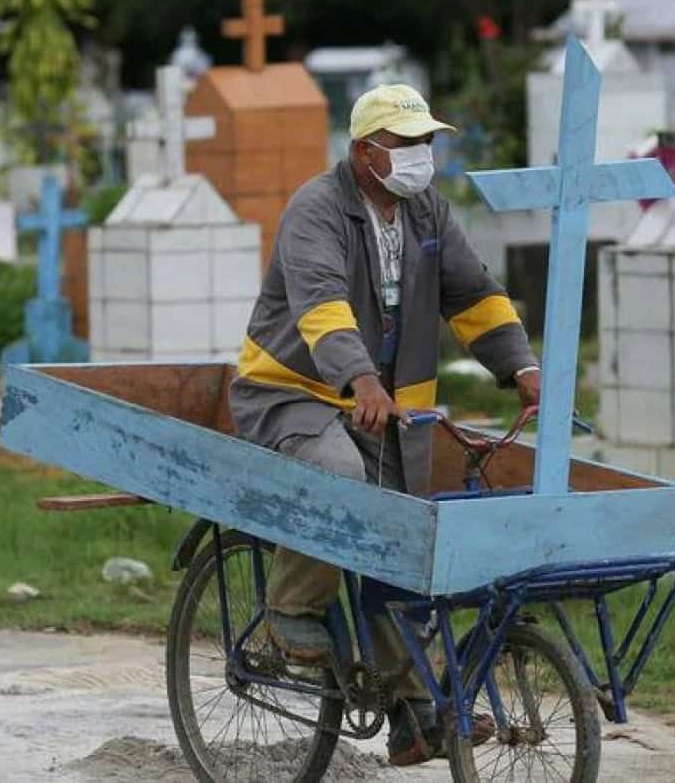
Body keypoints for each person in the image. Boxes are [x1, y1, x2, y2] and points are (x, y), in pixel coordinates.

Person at [229, 83, 542, 766]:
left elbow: (474, 295)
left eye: (427, 143)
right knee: (339, 476)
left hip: (385, 409)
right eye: (405, 145)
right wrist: (361, 377)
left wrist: (522, 366)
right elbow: (321, 306)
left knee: (400, 541)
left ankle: (413, 716)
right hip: (295, 391)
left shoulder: (426, 209)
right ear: (364, 152)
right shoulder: (316, 208)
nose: (420, 156)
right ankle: (289, 609)